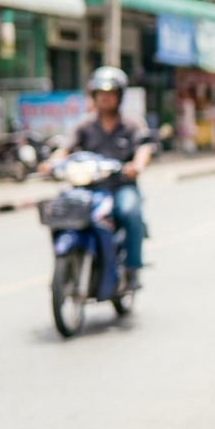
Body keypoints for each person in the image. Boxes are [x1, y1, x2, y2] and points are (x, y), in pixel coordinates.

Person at [44, 67, 155, 290]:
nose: (105, 98)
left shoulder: (132, 124)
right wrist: (52, 163)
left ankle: (132, 269)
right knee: (61, 210)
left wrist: (137, 165)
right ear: (94, 96)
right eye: (101, 94)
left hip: (120, 187)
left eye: (111, 93)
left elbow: (144, 148)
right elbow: (65, 149)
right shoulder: (84, 125)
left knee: (129, 212)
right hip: (89, 188)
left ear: (119, 96)